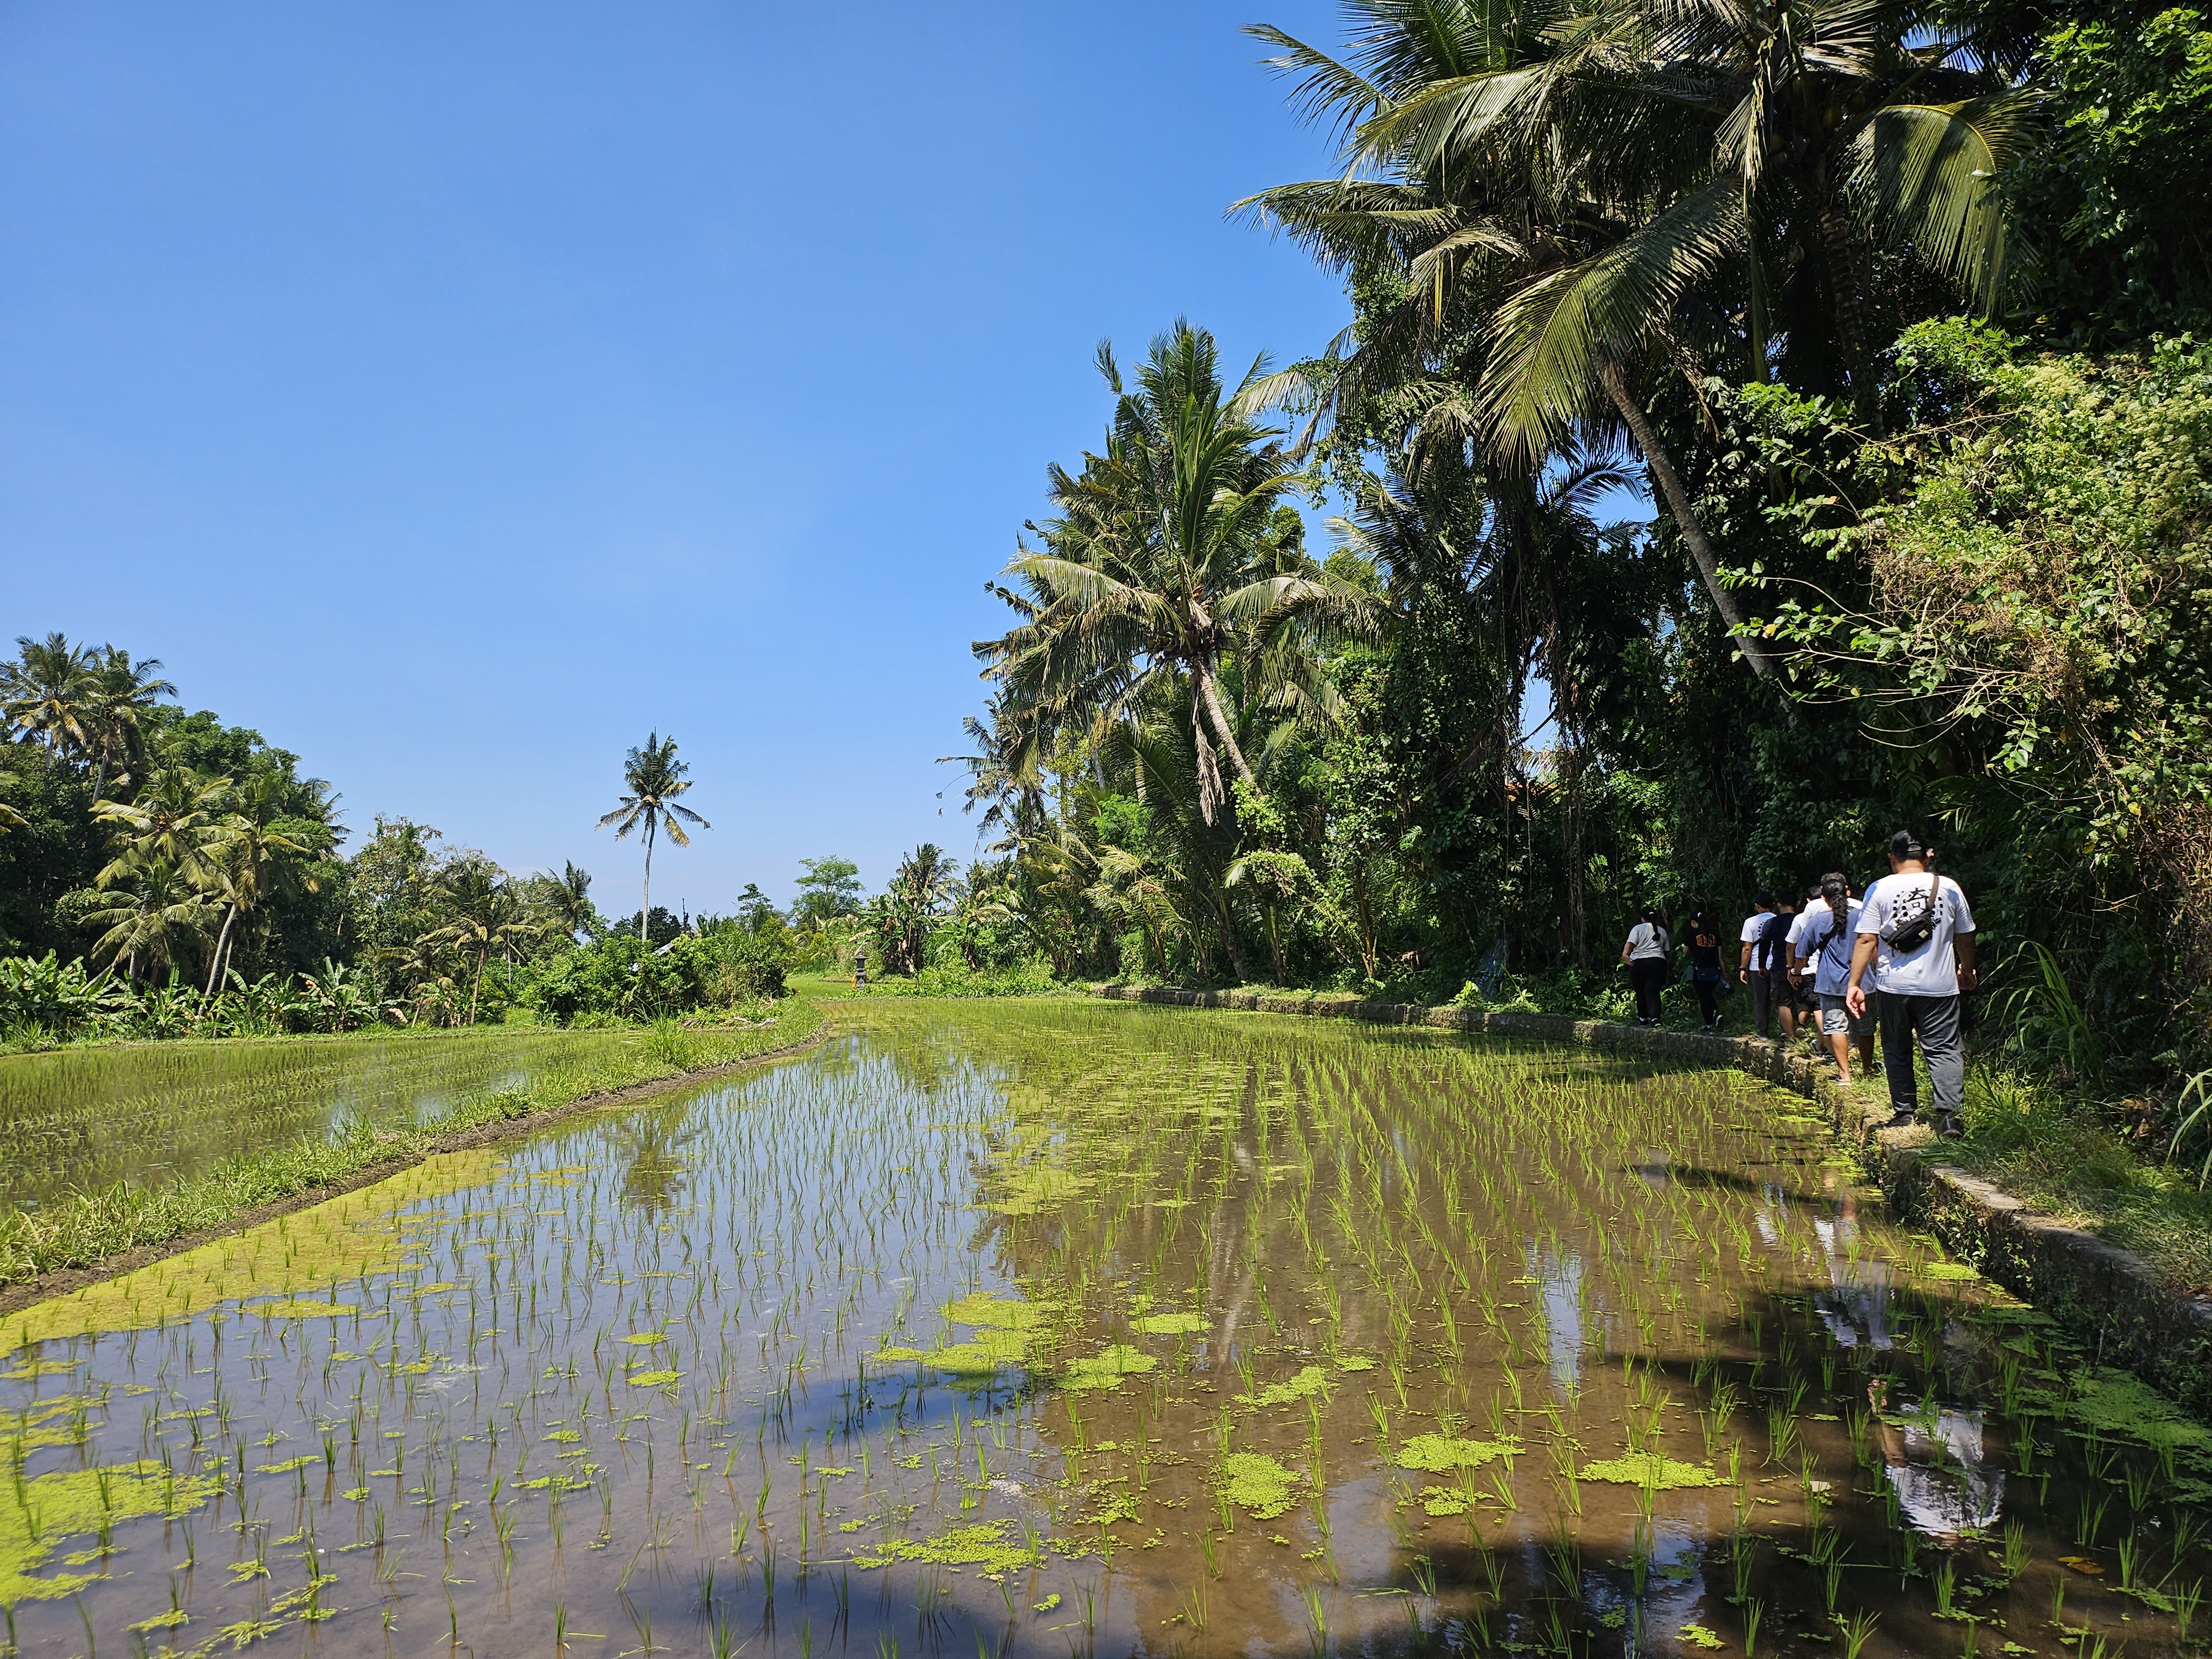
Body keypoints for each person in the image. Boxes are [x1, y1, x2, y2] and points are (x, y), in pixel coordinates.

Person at [1846, 832, 1978, 1135]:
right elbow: (1966, 935)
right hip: (1940, 986)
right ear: (1927, 856)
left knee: (1896, 1046)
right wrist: (1966, 969)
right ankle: (1949, 1117)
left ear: (1892, 858)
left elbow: (1867, 939)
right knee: (1944, 1048)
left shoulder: (1879, 888)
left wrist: (1855, 983)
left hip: (1893, 985)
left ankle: (1905, 1113)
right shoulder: (1949, 887)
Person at [1807, 873, 1875, 1084]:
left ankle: (1845, 1075)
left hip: (1831, 983)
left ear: (1824, 898)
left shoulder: (1818, 920)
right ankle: (1867, 1070)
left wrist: (1795, 970)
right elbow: (1873, 945)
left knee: (1836, 1027)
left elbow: (1803, 951)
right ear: (1848, 893)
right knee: (1865, 1028)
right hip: (1864, 982)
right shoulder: (1863, 915)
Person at [1740, 893, 1797, 1040]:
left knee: (1762, 1000)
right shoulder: (1781, 919)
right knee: (1783, 1000)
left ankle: (1763, 1032)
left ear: (1757, 906)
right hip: (1781, 964)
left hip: (1759, 965)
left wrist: (1742, 967)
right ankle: (1785, 1030)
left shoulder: (1751, 922)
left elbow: (1747, 948)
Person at [1785, 881, 1827, 1039]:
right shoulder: (1836, 914)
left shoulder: (1801, 919)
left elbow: (1791, 945)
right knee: (1818, 1004)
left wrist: (1792, 969)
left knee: (1812, 1004)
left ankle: (1808, 1030)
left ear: (1808, 901)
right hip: (1827, 968)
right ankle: (1821, 1044)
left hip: (1807, 968)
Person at [1620, 908, 1670, 1026]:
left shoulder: (1638, 928)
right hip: (1658, 962)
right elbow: (1666, 950)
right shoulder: (1662, 931)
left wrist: (1625, 955)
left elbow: (1630, 943)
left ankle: (1643, 1018)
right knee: (1653, 990)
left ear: (1643, 918)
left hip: (1640, 962)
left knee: (1640, 990)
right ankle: (1655, 1018)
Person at [1685, 909, 1730, 1032]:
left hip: (1700, 971)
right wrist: (1724, 972)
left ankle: (1710, 1023)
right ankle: (1716, 1013)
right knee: (1708, 994)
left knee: (1703, 997)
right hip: (1714, 971)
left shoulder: (1691, 934)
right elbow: (1720, 956)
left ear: (1694, 922)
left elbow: (1685, 951)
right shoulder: (1714, 934)